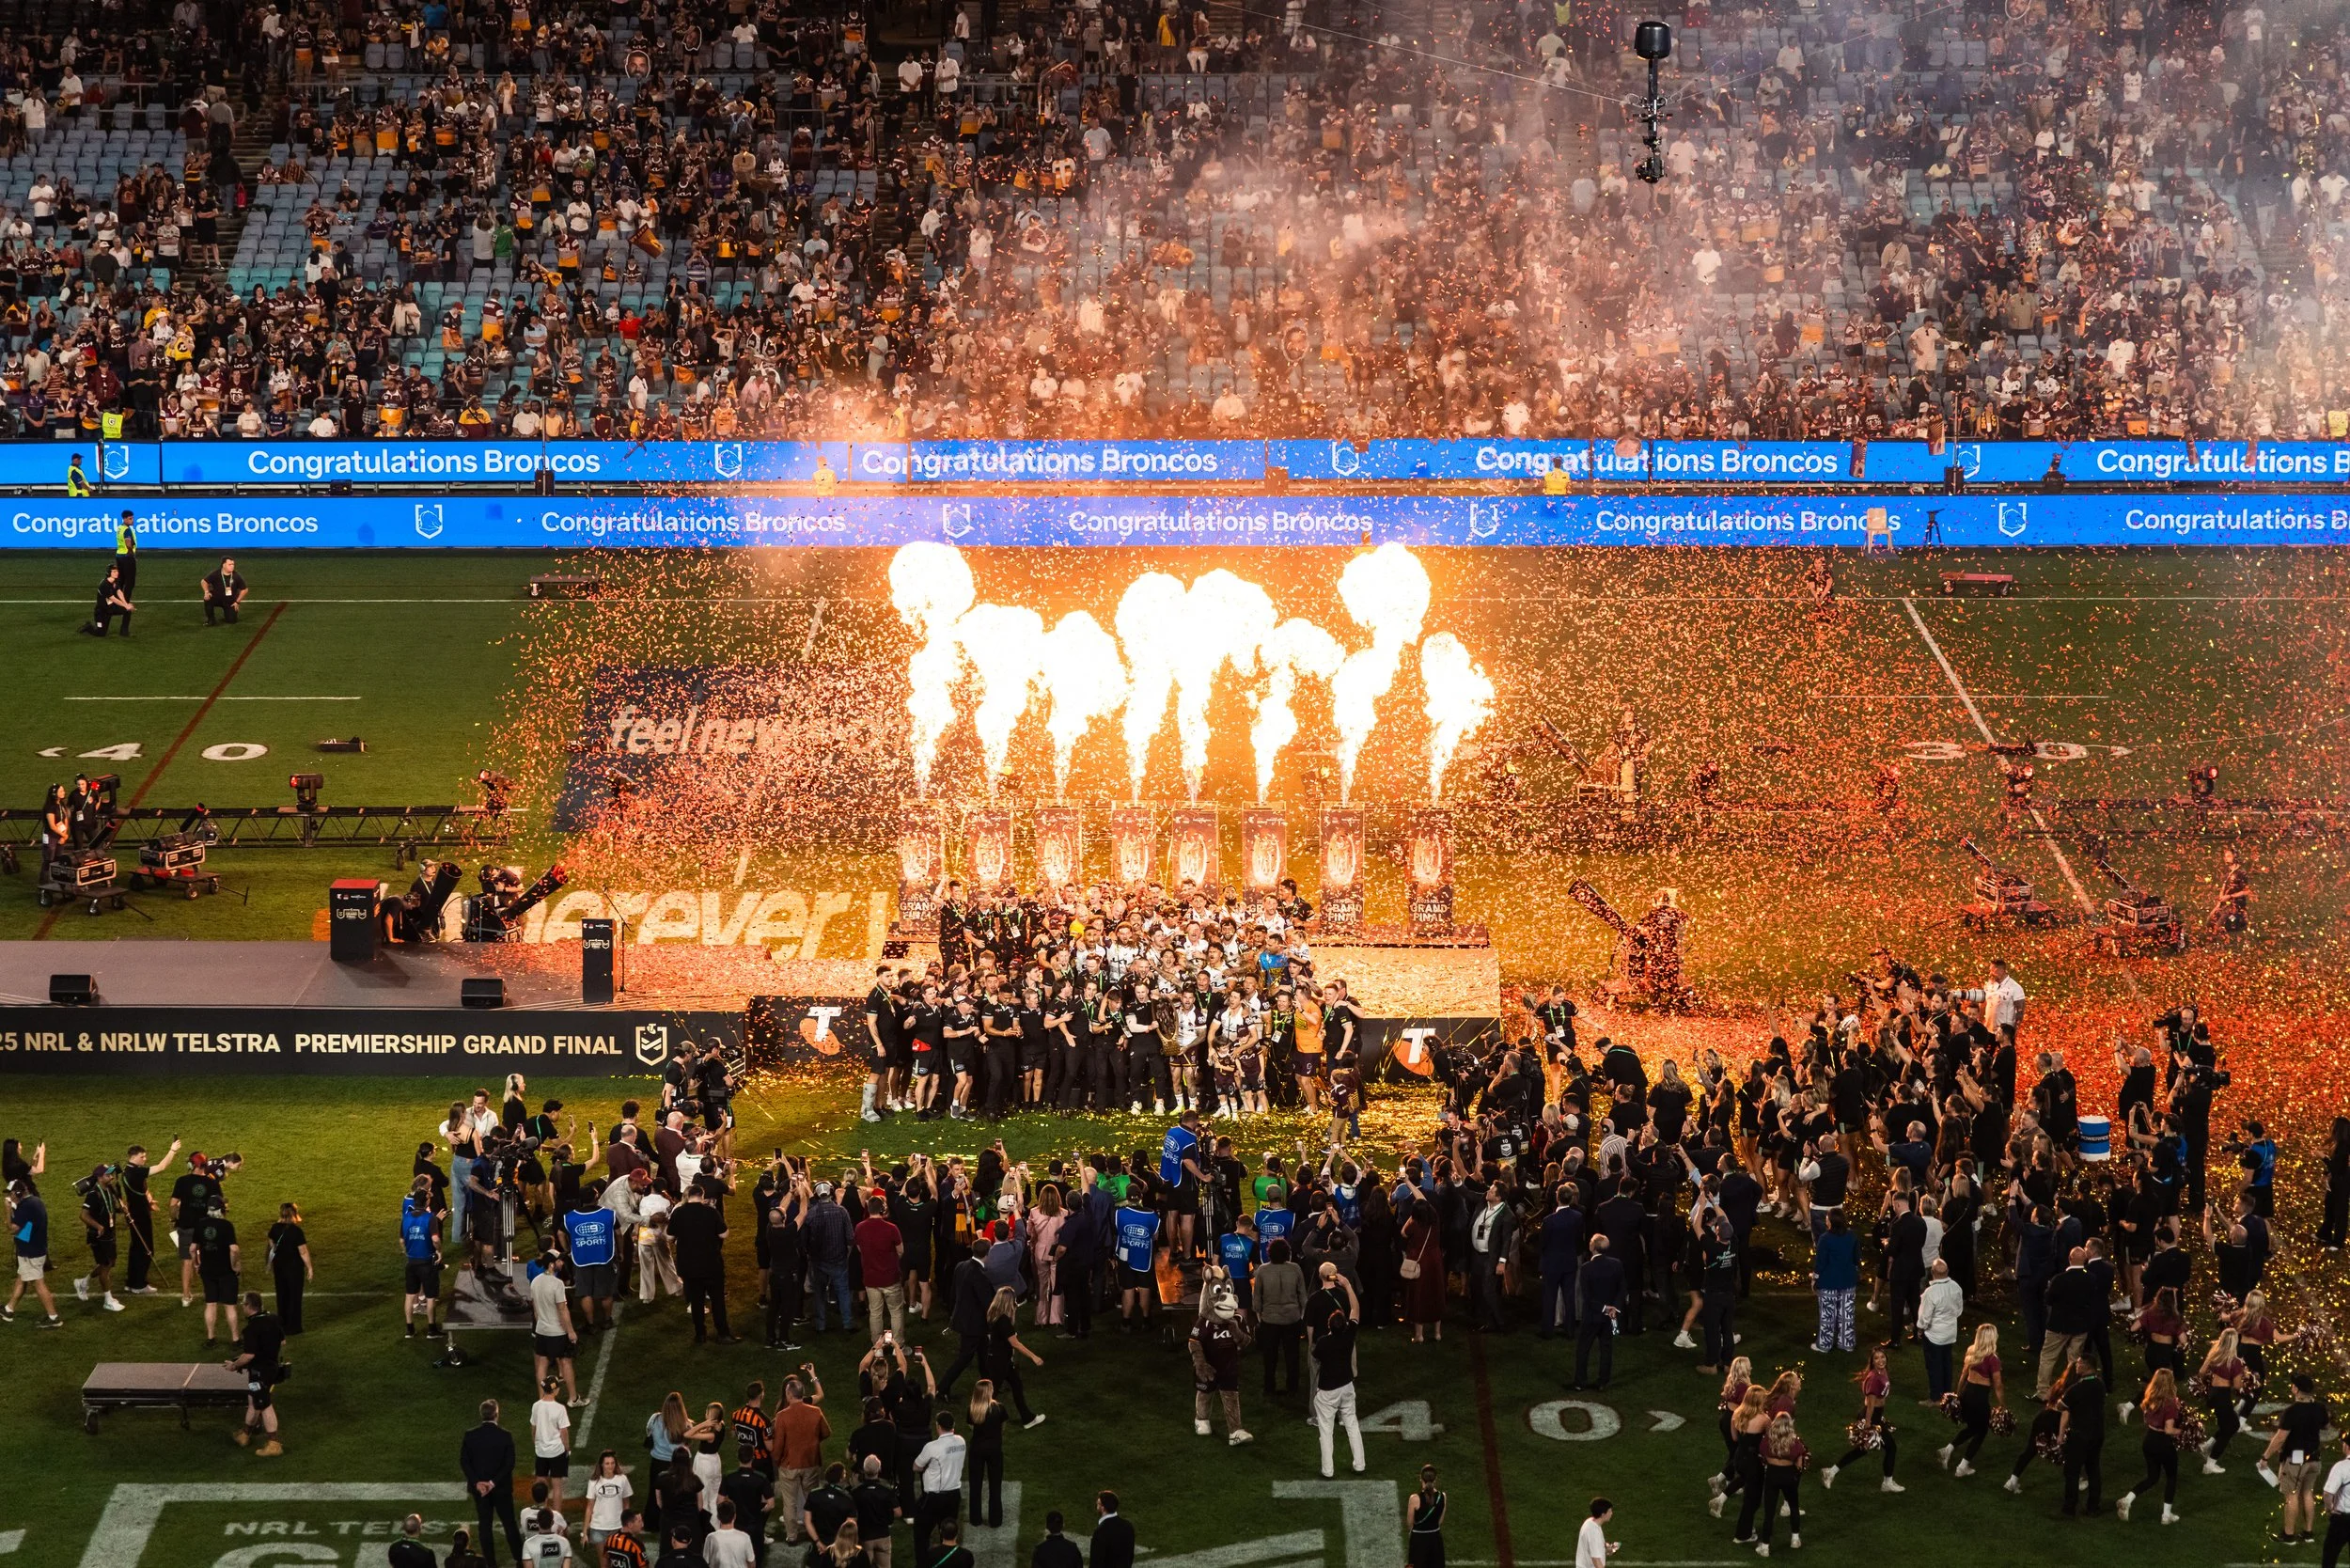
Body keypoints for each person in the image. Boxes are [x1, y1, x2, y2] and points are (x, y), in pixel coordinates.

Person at [1819, 1346, 1902, 1494]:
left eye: (1882, 1357)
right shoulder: (1874, 1378)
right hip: (1870, 1417)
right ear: (1872, 1361)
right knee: (1891, 1447)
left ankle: (1830, 1472)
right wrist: (1868, 1425)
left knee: (1862, 1450)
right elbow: (1870, 1404)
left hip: (1875, 1416)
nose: (1880, 1360)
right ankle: (1887, 1483)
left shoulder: (1882, 1371)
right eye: (1876, 1358)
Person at [1308, 1262, 1364, 1478]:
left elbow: (1316, 1357)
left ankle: (1328, 1470)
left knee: (1326, 1431)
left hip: (1328, 1391)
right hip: (1347, 1386)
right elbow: (1355, 1310)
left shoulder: (1322, 1343)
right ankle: (1360, 1464)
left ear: (1329, 1326)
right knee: (1352, 1426)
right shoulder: (1349, 1334)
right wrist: (1348, 1286)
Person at [2262, 1372, 2327, 1545]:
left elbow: (2280, 1437)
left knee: (2291, 1496)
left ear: (2297, 1389)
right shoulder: (2320, 1408)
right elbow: (2325, 1425)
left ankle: (2289, 1536)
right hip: (2314, 1458)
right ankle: (2308, 1533)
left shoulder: (2292, 1411)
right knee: (2308, 1493)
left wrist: (2265, 1456)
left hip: (2296, 1461)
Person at [2116, 1367, 2187, 1524]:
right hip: (2163, 1442)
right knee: (2171, 1477)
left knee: (2152, 1477)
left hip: (2149, 1440)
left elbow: (2147, 1420)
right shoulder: (2170, 1404)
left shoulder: (2149, 1399)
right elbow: (2168, 1429)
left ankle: (2128, 1500)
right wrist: (2182, 1431)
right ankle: (2166, 1515)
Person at [1189, 1274, 1253, 1446]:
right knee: (1204, 1394)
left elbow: (1246, 1341)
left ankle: (1235, 1431)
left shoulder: (1237, 1320)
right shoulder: (1204, 1322)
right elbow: (1194, 1343)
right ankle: (1201, 1419)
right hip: (1209, 1366)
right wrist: (1200, 1364)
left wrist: (1236, 1331)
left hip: (1229, 1366)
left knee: (1231, 1397)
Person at [462, 1398, 525, 1565]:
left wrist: (477, 1483)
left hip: (480, 1491)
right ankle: (520, 1558)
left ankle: (490, 1563)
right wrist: (493, 1483)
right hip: (501, 1488)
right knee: (509, 1523)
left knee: (485, 1525)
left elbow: (464, 1462)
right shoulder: (505, 1436)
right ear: (497, 1414)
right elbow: (509, 1464)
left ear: (481, 1415)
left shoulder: (470, 1436)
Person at [1938, 1324, 2003, 1478]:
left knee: (1974, 1427)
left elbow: (1963, 1375)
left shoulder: (1971, 1351)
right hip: (1979, 1398)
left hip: (1967, 1393)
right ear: (1992, 1338)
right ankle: (1963, 1466)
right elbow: (1998, 1385)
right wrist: (2003, 1406)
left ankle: (1948, 1449)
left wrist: (1958, 1396)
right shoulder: (1993, 1359)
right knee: (1981, 1431)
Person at [227, 1291, 287, 1456]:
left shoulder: (251, 1328)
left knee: (264, 1404)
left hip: (260, 1372)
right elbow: (282, 1341)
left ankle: (274, 1443)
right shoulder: (273, 1318)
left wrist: (234, 1365)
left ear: (248, 1306)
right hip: (273, 1367)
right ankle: (245, 1434)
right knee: (253, 1400)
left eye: (243, 1305)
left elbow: (249, 1355)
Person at [911, 1411, 967, 1565]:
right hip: (954, 1496)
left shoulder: (931, 1447)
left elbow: (916, 1466)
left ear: (938, 1426)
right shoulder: (961, 1441)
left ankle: (923, 1564)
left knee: (921, 1533)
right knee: (948, 1534)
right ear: (953, 1426)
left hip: (933, 1498)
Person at [2055, 1355, 2107, 1516]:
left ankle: (2069, 1509)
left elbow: (2060, 1406)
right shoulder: (2100, 1385)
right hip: (2097, 1434)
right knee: (2093, 1470)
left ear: (2086, 1365)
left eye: (2078, 1364)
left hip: (2080, 1434)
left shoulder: (2077, 1389)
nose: (2076, 1366)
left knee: (2072, 1471)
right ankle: (2093, 1507)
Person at [1574, 1235, 1626, 1390]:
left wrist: (1604, 1308)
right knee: (1606, 1348)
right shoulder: (1616, 1264)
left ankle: (1580, 1382)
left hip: (1592, 1315)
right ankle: (1603, 1382)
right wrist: (1614, 1308)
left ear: (1592, 1247)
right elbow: (1622, 1288)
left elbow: (1587, 1297)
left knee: (1583, 1348)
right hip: (1610, 1317)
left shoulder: (1586, 1268)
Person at [74, 1164, 127, 1312]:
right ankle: (108, 1300)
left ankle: (83, 1282)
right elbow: (83, 1215)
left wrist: (119, 1209)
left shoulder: (109, 1189)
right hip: (98, 1235)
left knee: (110, 1263)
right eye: (107, 1175)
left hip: (109, 1233)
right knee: (105, 1267)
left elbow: (110, 1207)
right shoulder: (93, 1194)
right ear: (99, 1177)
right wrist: (98, 1226)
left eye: (111, 1174)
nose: (111, 1177)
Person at [530, 1250, 580, 1403]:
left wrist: (541, 1324)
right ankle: (573, 1399)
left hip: (541, 1330)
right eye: (559, 1261)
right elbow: (562, 1310)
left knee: (542, 1363)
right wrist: (570, 1331)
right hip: (556, 1331)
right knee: (566, 1361)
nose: (561, 1263)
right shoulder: (557, 1284)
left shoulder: (535, 1281)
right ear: (551, 1265)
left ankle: (542, 1398)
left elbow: (535, 1308)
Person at [267, 1201, 313, 1334]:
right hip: (294, 1269)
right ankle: (294, 1327)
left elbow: (271, 1245)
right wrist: (309, 1268)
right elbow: (303, 1251)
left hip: (279, 1267)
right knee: (294, 1296)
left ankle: (282, 1324)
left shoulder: (274, 1228)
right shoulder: (296, 1231)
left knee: (282, 1295)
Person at [530, 1378, 572, 1510]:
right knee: (557, 1485)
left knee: (540, 1484)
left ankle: (539, 1512)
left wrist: (536, 1443)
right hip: (557, 1451)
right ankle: (557, 1516)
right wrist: (567, 1448)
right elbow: (564, 1432)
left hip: (541, 1451)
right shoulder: (560, 1408)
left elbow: (533, 1427)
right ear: (555, 1390)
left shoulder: (536, 1406)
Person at [582, 1451, 634, 1550]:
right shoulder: (593, 1482)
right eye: (607, 1463)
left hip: (618, 1526)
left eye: (612, 1463)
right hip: (598, 1528)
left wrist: (626, 1524)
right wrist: (584, 1532)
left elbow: (626, 1503)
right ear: (601, 1465)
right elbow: (589, 1507)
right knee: (604, 1563)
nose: (610, 1466)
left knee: (617, 1560)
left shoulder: (622, 1479)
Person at [2320, 1430, 2350, 1568]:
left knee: (2330, 1556)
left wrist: (2329, 1508)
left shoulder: (2341, 1467)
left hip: (2342, 1520)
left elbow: (2327, 1493)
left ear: (2347, 1446)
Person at [80, 561, 134, 636]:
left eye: (117, 571)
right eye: (114, 571)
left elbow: (119, 592)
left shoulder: (115, 580)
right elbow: (113, 599)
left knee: (128, 611)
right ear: (109, 573)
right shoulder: (104, 585)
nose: (117, 573)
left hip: (111, 607)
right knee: (100, 634)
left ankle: (124, 631)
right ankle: (88, 627)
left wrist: (126, 604)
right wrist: (126, 606)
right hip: (102, 611)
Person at [1405, 1466, 1446, 1568]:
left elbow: (1410, 1523)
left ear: (1421, 1479)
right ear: (1435, 1479)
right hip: (1435, 1539)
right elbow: (1440, 1521)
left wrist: (1414, 1532)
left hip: (1418, 1540)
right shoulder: (1443, 1496)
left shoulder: (1414, 1498)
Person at [1088, 1493, 1134, 1568]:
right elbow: (1130, 1556)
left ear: (1103, 1508)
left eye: (1098, 1505)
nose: (1097, 1507)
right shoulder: (1128, 1526)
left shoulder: (1100, 1531)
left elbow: (1096, 1563)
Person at [202, 557, 250, 625]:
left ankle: (228, 616)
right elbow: (204, 582)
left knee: (231, 620)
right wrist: (206, 592)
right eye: (230, 564)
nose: (232, 566)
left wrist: (237, 602)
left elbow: (245, 589)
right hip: (217, 598)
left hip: (230, 602)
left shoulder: (236, 576)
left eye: (233, 564)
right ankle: (211, 620)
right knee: (207, 598)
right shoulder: (216, 574)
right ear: (224, 565)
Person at [1574, 1498, 1616, 1568]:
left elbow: (1593, 1544)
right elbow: (1596, 1561)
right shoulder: (1593, 1532)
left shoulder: (1591, 1522)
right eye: (1609, 1511)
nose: (1611, 1513)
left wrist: (1606, 1547)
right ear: (1603, 1515)